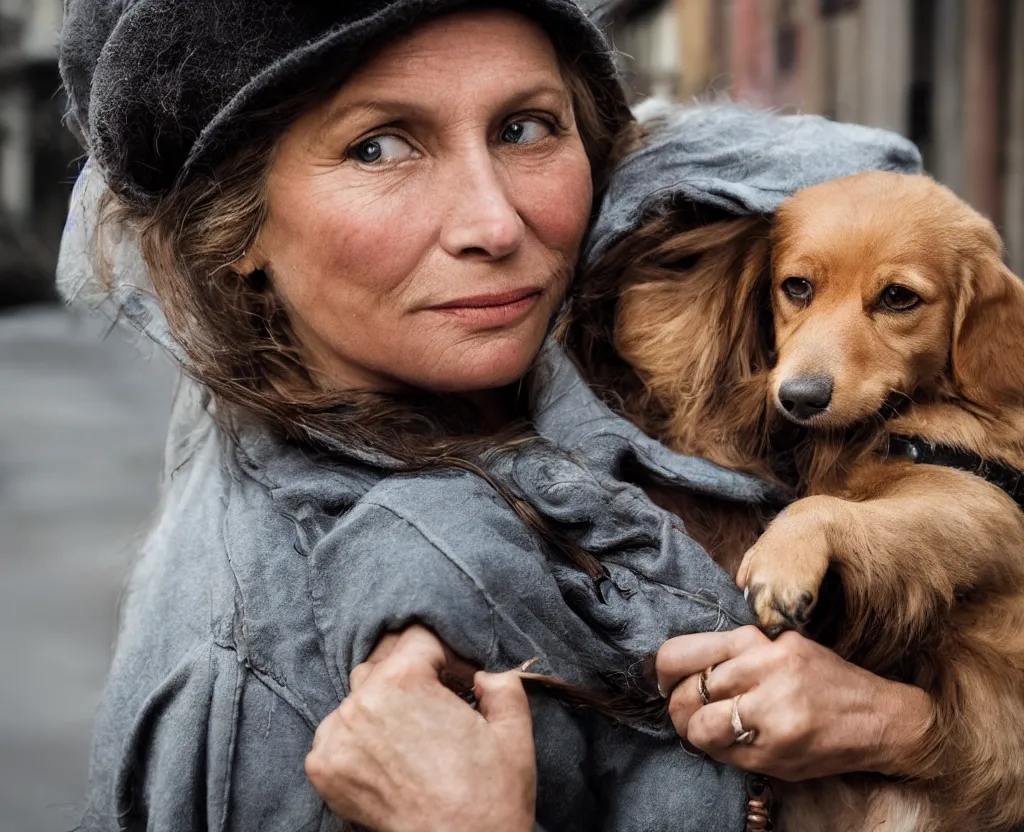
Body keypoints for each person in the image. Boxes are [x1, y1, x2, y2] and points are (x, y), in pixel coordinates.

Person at [57, 1, 943, 829]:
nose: (495, 222)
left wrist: (901, 729)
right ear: (234, 225)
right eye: (378, 148)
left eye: (524, 128)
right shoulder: (279, 689)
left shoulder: (640, 358)